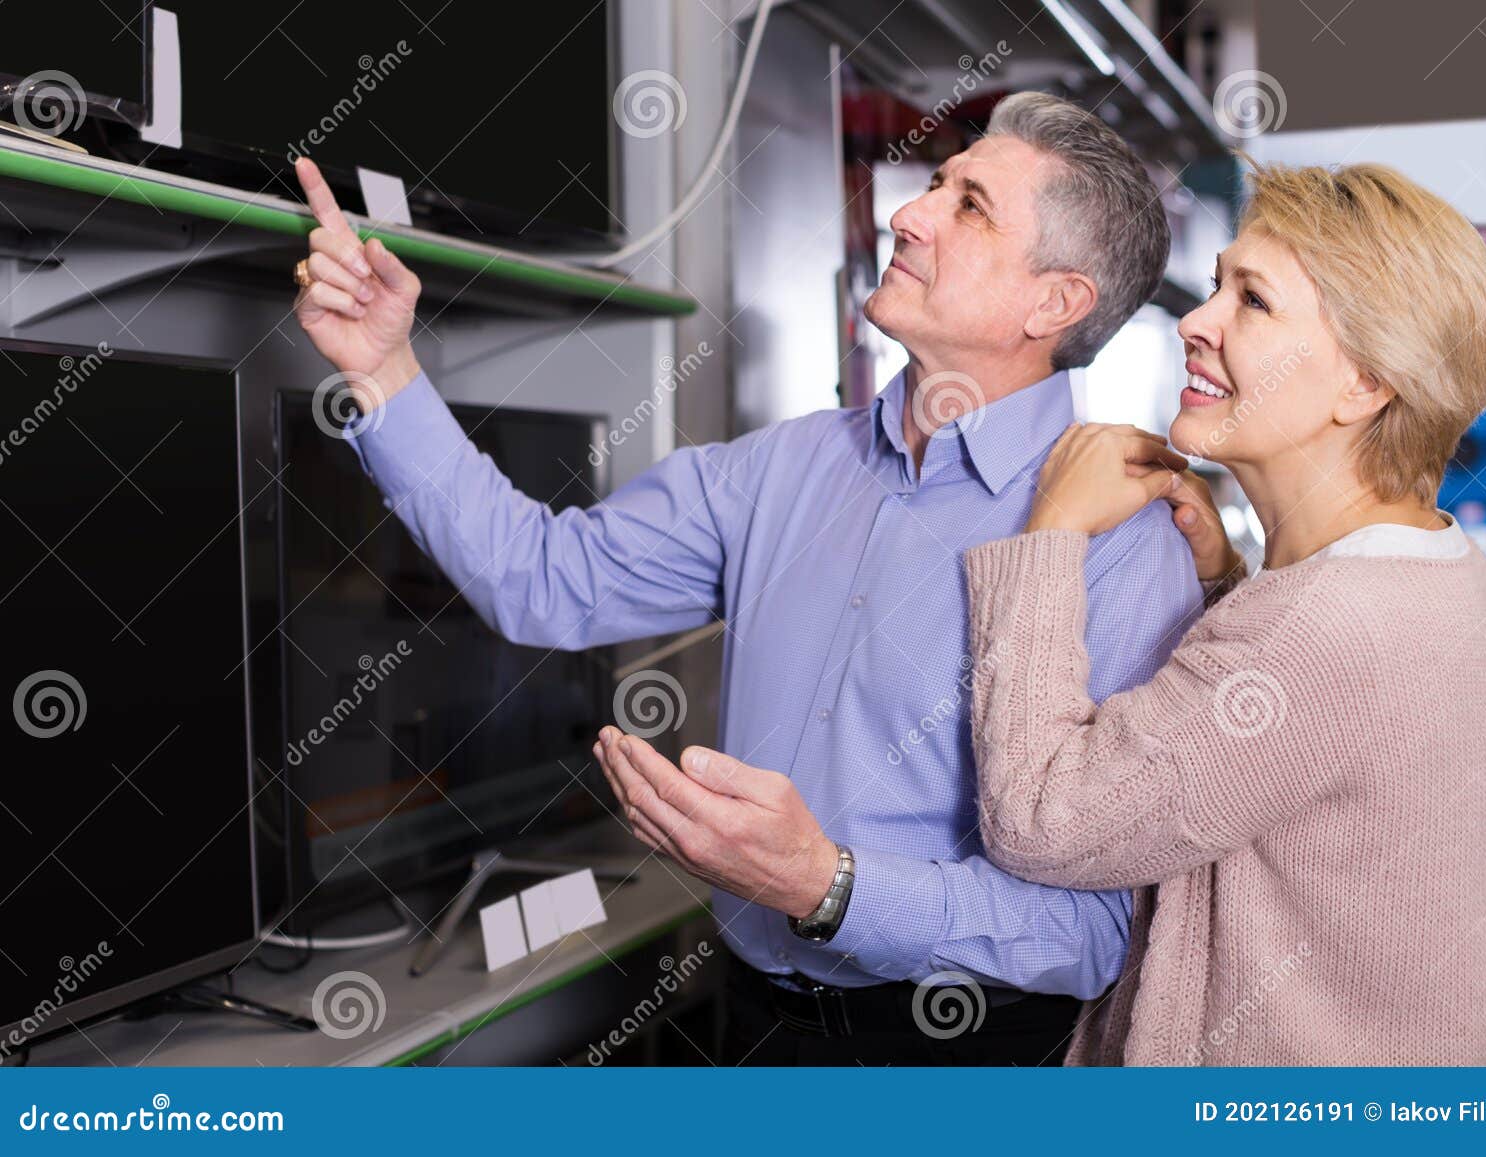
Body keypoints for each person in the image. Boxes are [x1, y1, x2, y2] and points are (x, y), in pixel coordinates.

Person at [291, 93, 1203, 1065]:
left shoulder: (1123, 545)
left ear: (1053, 303)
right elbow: (541, 580)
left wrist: (829, 883)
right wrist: (383, 367)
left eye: (969, 204)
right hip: (753, 1024)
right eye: (935, 182)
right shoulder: (780, 468)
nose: (908, 212)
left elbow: (1090, 933)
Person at [952, 159, 1486, 1064]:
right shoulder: (1431, 562)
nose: (1195, 320)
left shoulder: (1323, 628)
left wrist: (1049, 535)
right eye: (1216, 285)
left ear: (1365, 383)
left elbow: (1043, 820)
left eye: (1251, 301)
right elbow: (1281, 760)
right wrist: (1228, 587)